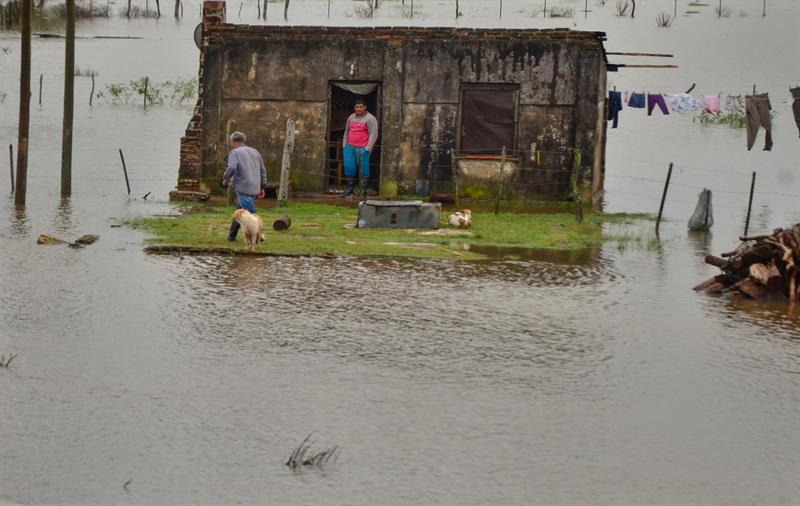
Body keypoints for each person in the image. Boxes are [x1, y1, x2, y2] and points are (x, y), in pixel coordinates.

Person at [221, 131, 267, 241]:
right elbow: (263, 170)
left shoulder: (235, 152)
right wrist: (262, 186)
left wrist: (225, 179)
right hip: (255, 186)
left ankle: (258, 237)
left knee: (250, 212)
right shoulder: (255, 152)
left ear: (233, 141)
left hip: (242, 186)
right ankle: (232, 236)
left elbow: (231, 167)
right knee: (240, 210)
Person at [341, 99, 378, 197]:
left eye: (361, 107)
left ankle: (363, 191)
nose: (359, 109)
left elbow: (373, 134)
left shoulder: (370, 118)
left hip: (363, 148)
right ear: (354, 108)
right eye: (357, 107)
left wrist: (368, 148)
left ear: (365, 107)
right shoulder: (351, 117)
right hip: (349, 147)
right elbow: (346, 132)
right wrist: (345, 145)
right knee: (349, 167)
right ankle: (349, 189)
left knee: (364, 168)